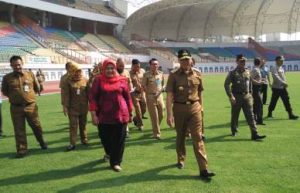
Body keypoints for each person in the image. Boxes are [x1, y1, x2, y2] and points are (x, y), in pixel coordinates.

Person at [166, 49, 215, 180]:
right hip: (179, 108)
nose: (185, 62)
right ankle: (181, 158)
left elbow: (200, 92)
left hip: (195, 107)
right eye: (182, 59)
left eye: (187, 59)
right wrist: (169, 114)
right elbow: (169, 96)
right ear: (179, 61)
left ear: (191, 59)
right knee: (180, 135)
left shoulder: (198, 74)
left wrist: (201, 107)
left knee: (198, 137)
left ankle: (203, 169)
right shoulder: (173, 75)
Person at [89, 59, 133, 172]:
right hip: (103, 115)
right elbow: (93, 98)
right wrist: (93, 114)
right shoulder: (98, 80)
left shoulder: (122, 80)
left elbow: (127, 97)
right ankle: (109, 153)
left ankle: (116, 162)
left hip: (120, 114)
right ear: (103, 69)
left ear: (115, 69)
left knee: (119, 140)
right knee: (105, 138)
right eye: (107, 68)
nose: (110, 70)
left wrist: (130, 111)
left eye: (112, 68)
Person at [1, 55, 47, 158]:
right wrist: (16, 97)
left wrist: (39, 83)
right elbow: (5, 91)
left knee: (36, 126)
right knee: (19, 129)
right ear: (11, 65)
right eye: (15, 65)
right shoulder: (7, 78)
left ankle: (42, 142)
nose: (18, 67)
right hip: (16, 107)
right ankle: (22, 149)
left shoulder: (30, 74)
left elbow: (37, 89)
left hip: (31, 106)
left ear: (22, 64)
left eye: (19, 64)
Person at [224, 54, 266, 140]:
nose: (243, 63)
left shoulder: (247, 71)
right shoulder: (233, 72)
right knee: (235, 115)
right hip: (237, 96)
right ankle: (234, 130)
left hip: (247, 96)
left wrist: (251, 93)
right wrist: (231, 96)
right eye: (241, 61)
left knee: (250, 115)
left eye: (244, 61)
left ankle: (254, 133)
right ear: (237, 62)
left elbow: (251, 82)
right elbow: (226, 84)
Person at [63, 63, 89, 151]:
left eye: (79, 71)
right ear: (72, 71)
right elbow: (65, 95)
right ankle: (72, 143)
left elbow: (89, 93)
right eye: (76, 71)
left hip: (84, 107)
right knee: (73, 126)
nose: (78, 73)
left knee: (83, 124)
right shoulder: (67, 81)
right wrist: (65, 107)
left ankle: (84, 139)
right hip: (72, 108)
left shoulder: (85, 80)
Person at [142, 58, 165, 139]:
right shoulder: (146, 74)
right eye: (153, 64)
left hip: (159, 96)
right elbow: (143, 85)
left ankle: (155, 128)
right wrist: (148, 93)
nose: (155, 66)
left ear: (158, 65)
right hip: (150, 97)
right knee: (154, 116)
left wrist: (160, 91)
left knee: (161, 114)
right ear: (150, 65)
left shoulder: (161, 74)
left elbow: (162, 85)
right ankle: (157, 134)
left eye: (156, 64)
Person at [116, 58, 132, 138]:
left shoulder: (126, 72)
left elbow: (129, 82)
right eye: (120, 65)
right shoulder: (113, 72)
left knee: (126, 113)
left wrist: (131, 90)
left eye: (123, 66)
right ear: (116, 64)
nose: (122, 67)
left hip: (125, 96)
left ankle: (126, 130)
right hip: (116, 97)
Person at [130, 59, 147, 131]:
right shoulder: (129, 73)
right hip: (134, 94)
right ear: (133, 66)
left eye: (139, 66)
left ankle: (135, 118)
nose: (138, 68)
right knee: (138, 109)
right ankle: (140, 125)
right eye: (136, 66)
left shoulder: (142, 71)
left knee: (144, 109)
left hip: (142, 93)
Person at [250, 58, 265, 125]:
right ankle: (259, 120)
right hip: (256, 88)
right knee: (259, 104)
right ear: (260, 62)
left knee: (256, 105)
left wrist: (261, 80)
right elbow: (251, 79)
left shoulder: (256, 69)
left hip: (257, 88)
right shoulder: (255, 70)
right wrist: (259, 82)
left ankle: (255, 119)